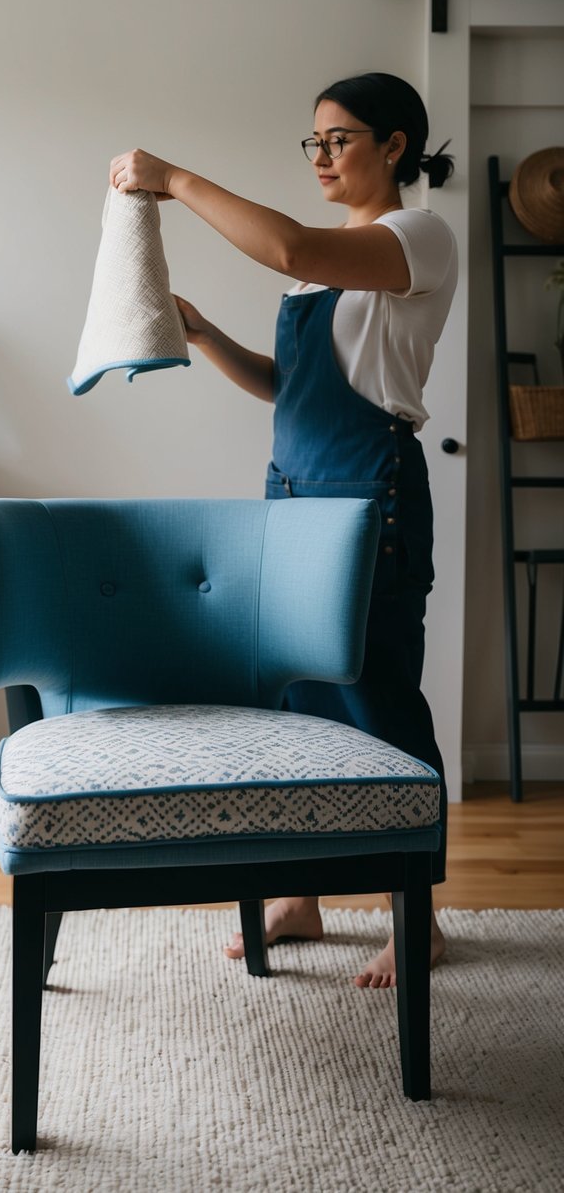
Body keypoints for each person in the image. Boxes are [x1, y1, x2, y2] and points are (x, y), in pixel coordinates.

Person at [109, 72, 457, 989]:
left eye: (339, 140)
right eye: (314, 143)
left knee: (380, 702)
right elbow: (289, 387)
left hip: (370, 495)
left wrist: (176, 179)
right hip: (295, 493)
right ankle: (301, 892)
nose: (322, 158)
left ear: (394, 145)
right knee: (299, 703)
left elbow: (286, 241)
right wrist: (207, 333)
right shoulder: (325, 263)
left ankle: (415, 914)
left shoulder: (415, 236)